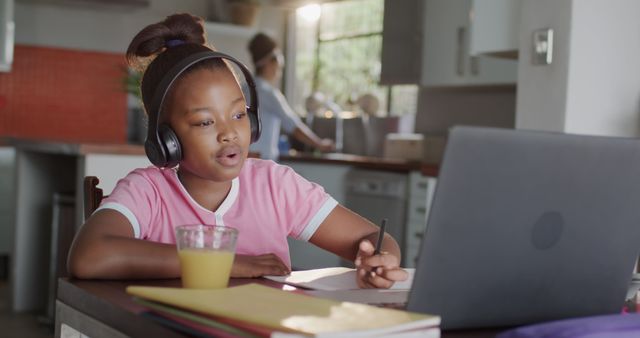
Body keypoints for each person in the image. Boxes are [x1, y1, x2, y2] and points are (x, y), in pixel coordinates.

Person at [67, 13, 407, 289]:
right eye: (204, 122)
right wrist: (226, 262)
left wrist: (379, 259)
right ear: (166, 139)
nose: (229, 133)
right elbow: (88, 256)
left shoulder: (275, 186)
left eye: (239, 114)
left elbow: (371, 238)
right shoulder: (147, 192)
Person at [247, 32, 334, 160]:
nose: (280, 71)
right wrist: (320, 144)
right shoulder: (268, 93)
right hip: (261, 161)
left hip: (245, 159)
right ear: (270, 63)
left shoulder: (243, 88)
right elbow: (293, 125)